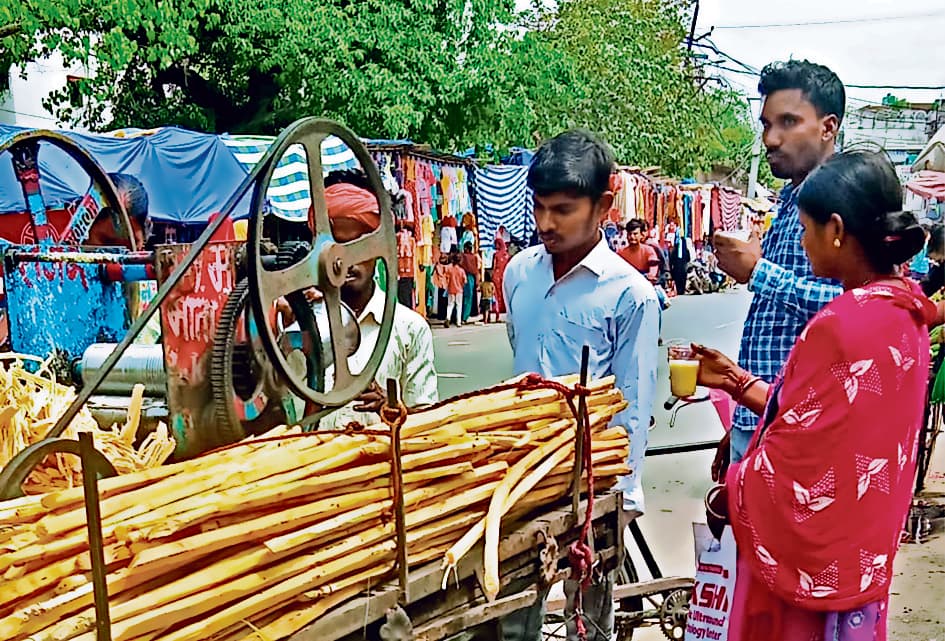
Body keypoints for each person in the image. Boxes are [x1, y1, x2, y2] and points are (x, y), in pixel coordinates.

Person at [694, 152, 935, 641]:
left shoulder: (842, 323)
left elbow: (796, 460)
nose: (802, 243)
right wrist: (738, 382)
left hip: (812, 569)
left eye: (806, 230)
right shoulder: (905, 312)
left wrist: (735, 487)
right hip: (862, 550)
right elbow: (826, 423)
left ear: (837, 230)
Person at [500, 129, 660, 641]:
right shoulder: (519, 273)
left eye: (563, 209)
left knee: (587, 616)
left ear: (604, 205)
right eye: (539, 206)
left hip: (593, 478)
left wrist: (623, 497)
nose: (546, 223)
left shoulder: (631, 295)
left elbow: (634, 400)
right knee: (514, 601)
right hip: (523, 470)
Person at [713, 60, 845, 467]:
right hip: (758, 415)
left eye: (788, 122)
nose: (771, 138)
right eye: (767, 124)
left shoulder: (844, 201)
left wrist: (758, 273)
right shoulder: (789, 201)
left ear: (828, 127)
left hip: (801, 424)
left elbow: (854, 305)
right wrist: (738, 424)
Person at [315, 171, 438, 429]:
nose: (345, 260)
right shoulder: (299, 325)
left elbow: (429, 425)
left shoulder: (409, 329)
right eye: (336, 246)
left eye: (357, 244)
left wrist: (393, 408)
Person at [460, 241, 480, 322]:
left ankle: (461, 316)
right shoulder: (474, 257)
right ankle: (465, 316)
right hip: (471, 277)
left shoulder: (463, 256)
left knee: (463, 297)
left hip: (463, 276)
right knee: (468, 297)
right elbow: (475, 270)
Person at [444, 254, 466, 328]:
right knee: (459, 306)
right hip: (459, 290)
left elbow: (446, 278)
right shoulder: (461, 270)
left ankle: (448, 318)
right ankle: (458, 322)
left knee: (450, 305)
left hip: (451, 289)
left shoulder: (450, 269)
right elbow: (465, 281)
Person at [492, 235, 511, 314]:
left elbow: (494, 266)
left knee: (497, 292)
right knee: (504, 291)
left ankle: (497, 308)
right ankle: (504, 307)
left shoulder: (496, 254)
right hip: (504, 275)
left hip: (497, 274)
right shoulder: (507, 255)